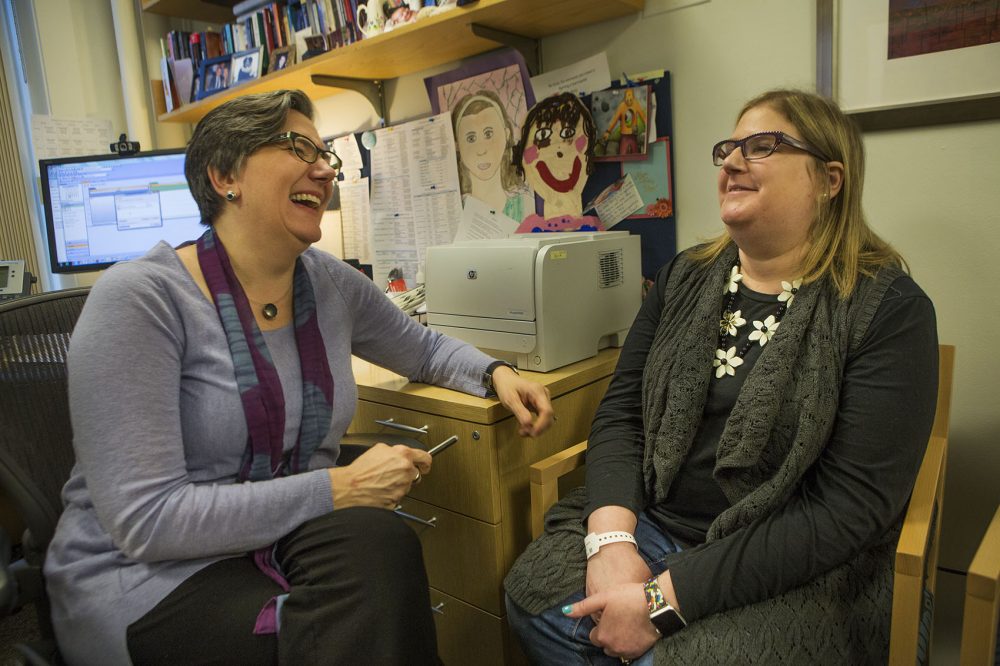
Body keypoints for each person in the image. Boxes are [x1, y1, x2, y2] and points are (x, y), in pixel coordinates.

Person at [44, 89, 554, 665]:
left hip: (277, 533)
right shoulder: (140, 299)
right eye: (296, 147)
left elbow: (423, 349)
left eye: (325, 155)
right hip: (147, 569)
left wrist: (495, 372)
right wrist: (340, 488)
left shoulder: (327, 281)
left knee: (384, 549)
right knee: (332, 636)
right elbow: (148, 522)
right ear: (224, 176)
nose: (324, 170)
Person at [504, 88, 938, 663]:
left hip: (792, 560)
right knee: (537, 600)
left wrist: (662, 601)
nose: (731, 161)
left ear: (829, 180)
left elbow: (847, 507)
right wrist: (611, 542)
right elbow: (623, 414)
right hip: (655, 523)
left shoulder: (888, 309)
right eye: (728, 148)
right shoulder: (683, 276)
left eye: (762, 146)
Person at [512, 92, 605, 233]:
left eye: (568, 133)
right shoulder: (529, 233)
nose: (558, 150)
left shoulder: (594, 229)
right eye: (543, 135)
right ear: (524, 158)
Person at [452, 89, 533, 223]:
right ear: (457, 145)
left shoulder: (526, 206)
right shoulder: (455, 212)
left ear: (506, 134)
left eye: (488, 134)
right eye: (471, 138)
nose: (481, 150)